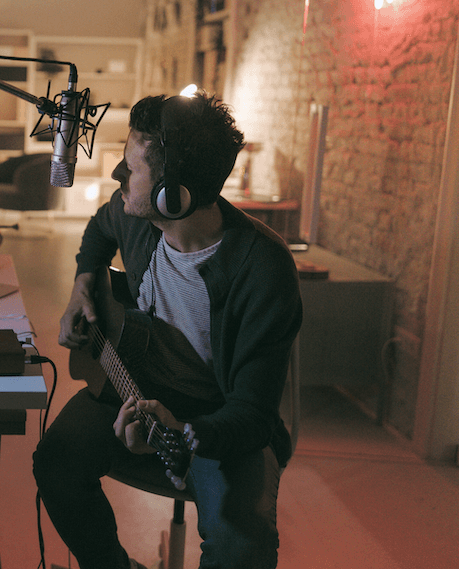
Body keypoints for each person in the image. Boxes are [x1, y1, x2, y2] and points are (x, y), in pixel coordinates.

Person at [33, 91, 303, 569]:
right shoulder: (137, 217)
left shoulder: (261, 266)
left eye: (130, 169)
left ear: (172, 196)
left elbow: (254, 414)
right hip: (134, 384)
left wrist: (183, 432)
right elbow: (99, 230)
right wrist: (82, 283)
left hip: (221, 418)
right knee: (56, 463)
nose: (117, 176)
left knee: (242, 546)